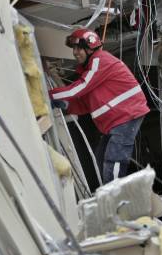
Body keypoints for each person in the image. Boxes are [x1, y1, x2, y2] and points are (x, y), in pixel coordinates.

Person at [49, 28, 149, 184]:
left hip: (126, 117)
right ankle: (108, 197)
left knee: (114, 160)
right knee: (100, 158)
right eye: (73, 48)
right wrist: (66, 105)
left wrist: (48, 95)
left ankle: (116, 200)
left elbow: (80, 88)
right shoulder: (91, 68)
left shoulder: (100, 60)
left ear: (90, 48)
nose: (75, 53)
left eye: (78, 48)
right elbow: (85, 103)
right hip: (118, 121)